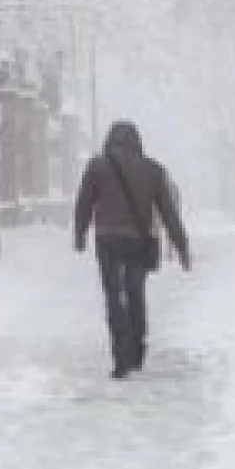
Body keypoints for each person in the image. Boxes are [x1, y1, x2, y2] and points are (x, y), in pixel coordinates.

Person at [74, 121, 190, 379]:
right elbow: (168, 212)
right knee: (136, 294)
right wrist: (181, 246)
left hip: (108, 240)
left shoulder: (97, 167)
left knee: (114, 297)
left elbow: (84, 203)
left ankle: (120, 357)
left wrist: (80, 234)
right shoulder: (153, 170)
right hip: (139, 240)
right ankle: (137, 351)